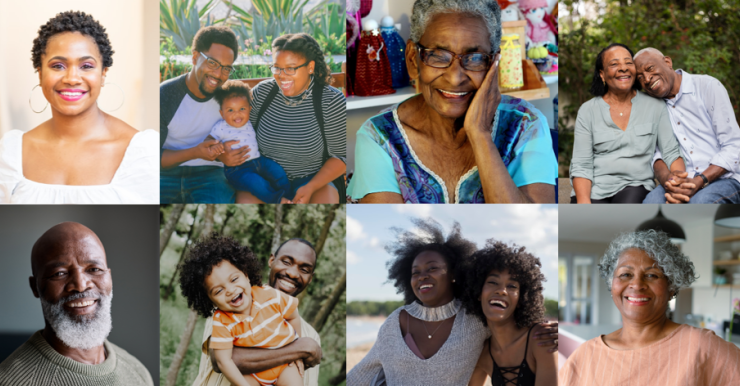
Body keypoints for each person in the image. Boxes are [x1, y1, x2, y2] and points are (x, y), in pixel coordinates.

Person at [347, 0, 557, 204]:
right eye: (438, 55)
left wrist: (480, 135)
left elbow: (530, 230)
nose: (455, 78)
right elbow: (390, 235)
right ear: (413, 60)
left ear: (494, 65)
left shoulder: (526, 124)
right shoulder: (379, 137)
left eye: (475, 57)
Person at [346, 218, 558, 385]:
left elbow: (510, 325)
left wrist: (554, 331)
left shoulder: (476, 321)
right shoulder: (394, 322)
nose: (422, 276)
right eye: (415, 272)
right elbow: (362, 375)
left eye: (432, 268)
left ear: (454, 274)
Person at [0, 11, 158, 204]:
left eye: (86, 66)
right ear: (40, 73)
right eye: (58, 66)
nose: (71, 79)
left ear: (103, 74)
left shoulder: (144, 153)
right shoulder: (12, 153)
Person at [559, 230, 740, 385]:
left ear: (672, 287)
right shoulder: (586, 355)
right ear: (611, 285)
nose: (637, 285)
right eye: (626, 274)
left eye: (652, 275)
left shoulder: (702, 347)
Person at [0, 222, 152, 385]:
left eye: (94, 269)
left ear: (109, 277)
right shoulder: (6, 383)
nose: (81, 285)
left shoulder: (138, 371)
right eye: (59, 273)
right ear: (35, 287)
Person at [191, 238, 322, 386]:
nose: (292, 274)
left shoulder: (312, 336)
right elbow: (223, 360)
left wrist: (300, 347)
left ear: (310, 278)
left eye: (304, 270)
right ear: (271, 260)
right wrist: (300, 349)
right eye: (286, 262)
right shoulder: (228, 309)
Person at [569, 43, 685, 203]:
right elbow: (581, 164)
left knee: (624, 217)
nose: (623, 68)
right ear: (602, 74)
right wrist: (584, 203)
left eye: (628, 63)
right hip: (594, 188)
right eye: (614, 64)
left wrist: (678, 183)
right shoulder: (588, 110)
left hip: (635, 185)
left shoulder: (655, 106)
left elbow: (671, 152)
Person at [238, 33, 346, 204]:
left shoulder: (331, 101)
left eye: (290, 68)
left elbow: (340, 157)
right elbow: (238, 131)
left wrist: (311, 186)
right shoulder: (262, 94)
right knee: (244, 203)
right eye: (277, 68)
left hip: (313, 180)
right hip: (265, 181)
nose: (282, 75)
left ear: (310, 67)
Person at [634, 48, 740, 204]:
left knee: (699, 204)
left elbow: (734, 145)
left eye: (650, 68)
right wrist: (670, 183)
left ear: (667, 62)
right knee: (650, 206)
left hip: (725, 178)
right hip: (681, 180)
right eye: (640, 77)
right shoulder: (652, 107)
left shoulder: (707, 86)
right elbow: (656, 156)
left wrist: (699, 180)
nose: (647, 79)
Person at [160, 26, 250, 203]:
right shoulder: (165, 96)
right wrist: (195, 152)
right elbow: (152, 158)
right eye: (212, 63)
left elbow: (242, 137)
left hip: (212, 175)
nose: (218, 74)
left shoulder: (230, 100)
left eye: (226, 68)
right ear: (195, 57)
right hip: (165, 175)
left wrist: (225, 155)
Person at [464, 241, 557, 386]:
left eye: (512, 286)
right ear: (478, 292)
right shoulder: (483, 354)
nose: (502, 290)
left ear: (521, 298)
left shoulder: (542, 338)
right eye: (493, 282)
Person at [208, 80, 292, 203]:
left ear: (249, 109)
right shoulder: (221, 127)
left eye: (242, 109)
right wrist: (217, 147)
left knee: (277, 171)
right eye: (230, 110)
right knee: (257, 183)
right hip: (237, 170)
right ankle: (277, 199)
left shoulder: (249, 122)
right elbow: (209, 140)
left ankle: (289, 196)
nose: (237, 114)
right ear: (222, 113)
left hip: (259, 161)